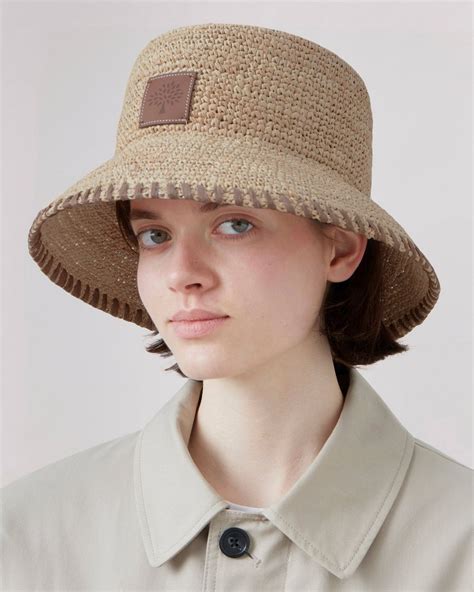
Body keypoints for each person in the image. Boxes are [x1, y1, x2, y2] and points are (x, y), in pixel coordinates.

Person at [1, 22, 472, 591]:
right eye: (154, 235)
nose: (182, 275)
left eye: (233, 224)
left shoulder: (457, 544)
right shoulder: (29, 536)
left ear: (342, 247)